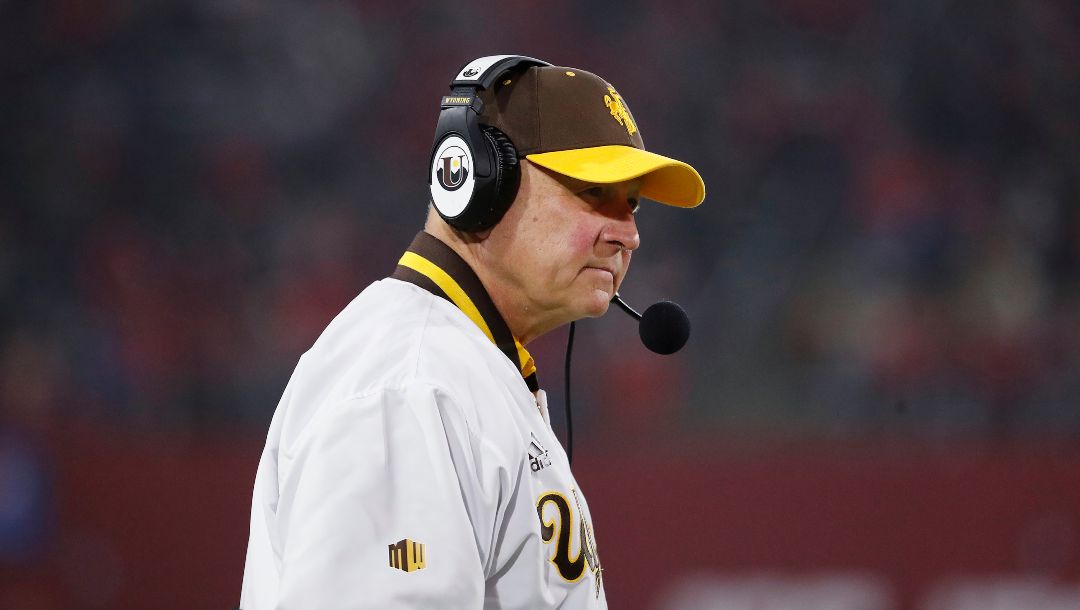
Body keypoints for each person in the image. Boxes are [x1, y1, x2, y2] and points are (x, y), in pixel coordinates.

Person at [239, 55, 705, 609]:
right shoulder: (412, 384)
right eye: (593, 194)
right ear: (481, 178)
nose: (628, 235)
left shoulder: (459, 368)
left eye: (630, 205)